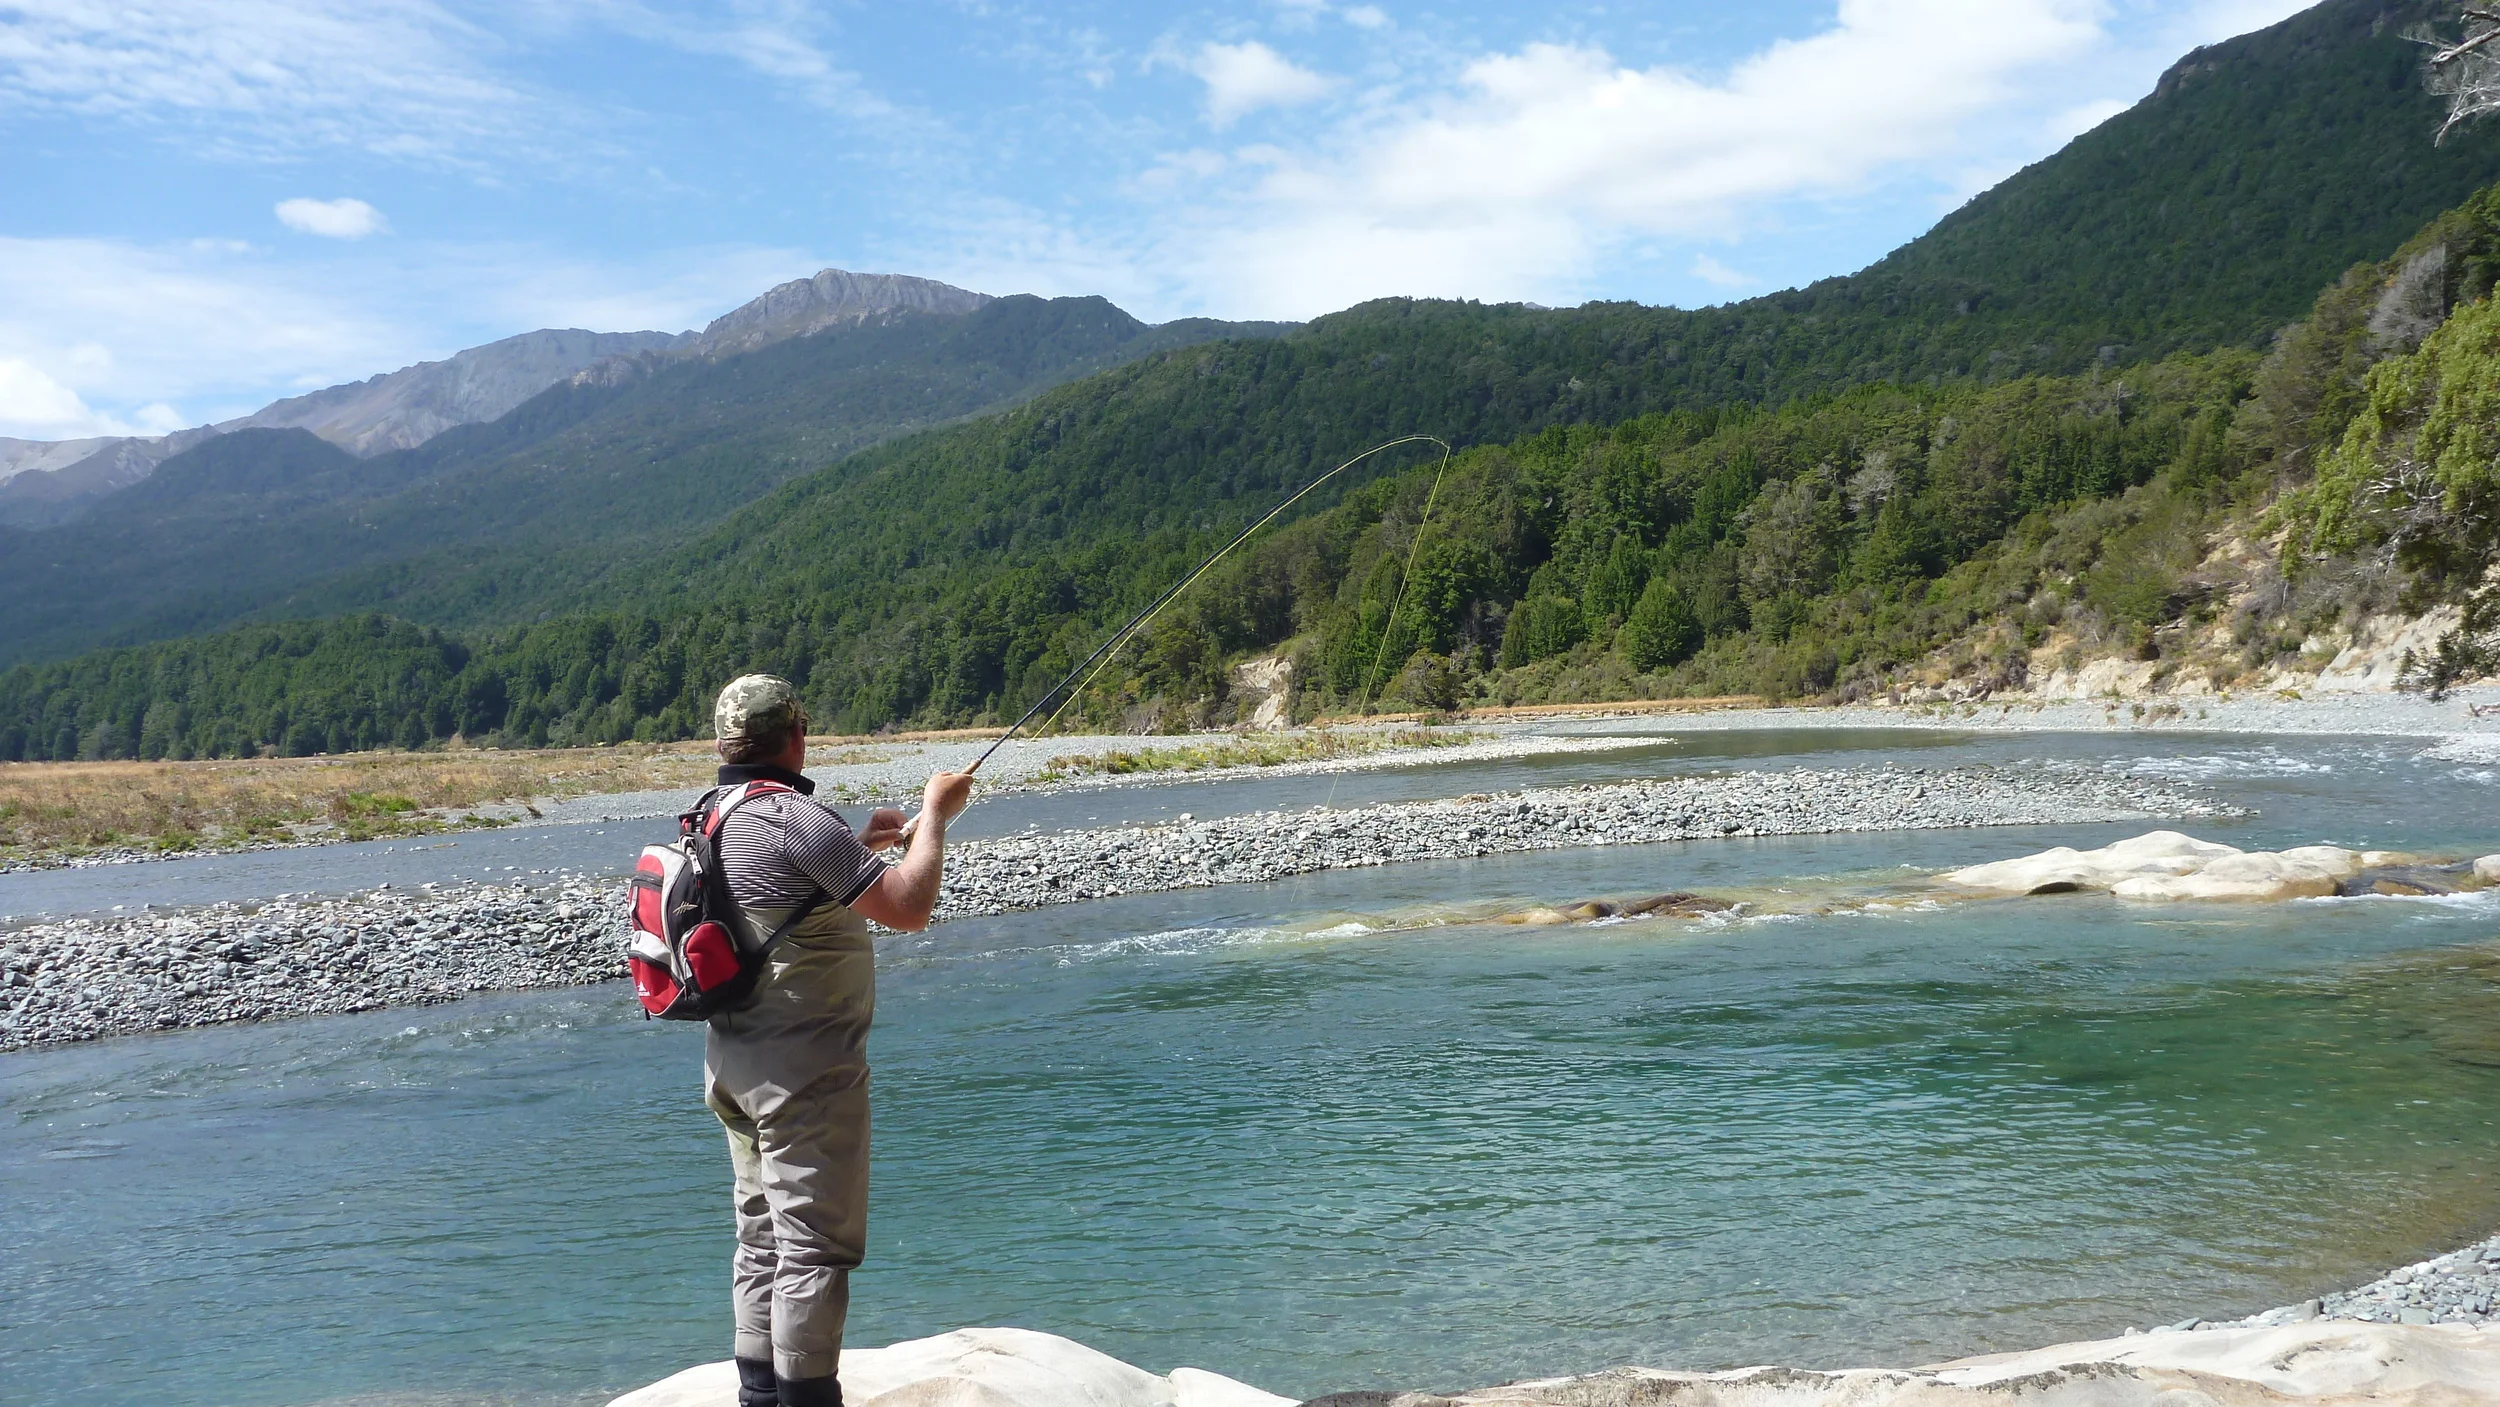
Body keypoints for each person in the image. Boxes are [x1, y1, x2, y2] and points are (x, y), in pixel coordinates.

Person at [700, 674, 972, 1407]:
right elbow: (909, 906)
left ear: (728, 743)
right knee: (813, 1250)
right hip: (803, 1078)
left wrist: (859, 844)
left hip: (734, 1066)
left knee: (761, 1236)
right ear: (795, 735)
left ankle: (760, 1396)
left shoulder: (714, 813)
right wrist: (935, 816)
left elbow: (779, 900)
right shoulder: (794, 817)